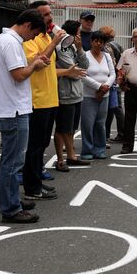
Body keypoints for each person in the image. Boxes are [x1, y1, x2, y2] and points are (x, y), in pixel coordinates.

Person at [0, 9, 47, 223]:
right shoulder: (11, 43)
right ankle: (11, 208)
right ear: (28, 25)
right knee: (13, 162)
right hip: (13, 109)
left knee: (11, 160)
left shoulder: (3, 40)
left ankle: (12, 200)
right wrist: (35, 64)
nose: (32, 38)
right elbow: (19, 74)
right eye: (34, 34)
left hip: (11, 107)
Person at [22, 1, 66, 201]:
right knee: (35, 146)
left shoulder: (47, 37)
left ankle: (37, 181)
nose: (51, 18)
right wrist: (55, 42)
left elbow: (50, 68)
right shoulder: (30, 39)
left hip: (50, 99)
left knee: (41, 144)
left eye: (50, 13)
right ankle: (31, 187)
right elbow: (38, 63)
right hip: (37, 100)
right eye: (46, 14)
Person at [53, 20, 89, 172]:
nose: (80, 35)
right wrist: (76, 71)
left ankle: (70, 155)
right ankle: (62, 159)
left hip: (77, 94)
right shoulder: (61, 47)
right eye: (79, 33)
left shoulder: (74, 46)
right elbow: (74, 72)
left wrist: (80, 48)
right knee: (62, 128)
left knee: (72, 128)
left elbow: (85, 65)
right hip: (65, 94)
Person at [80, 30, 116, 160]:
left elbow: (112, 74)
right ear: (91, 42)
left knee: (100, 123)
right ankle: (87, 150)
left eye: (101, 41)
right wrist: (99, 86)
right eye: (96, 41)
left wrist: (105, 87)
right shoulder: (85, 56)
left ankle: (99, 149)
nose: (98, 44)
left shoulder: (107, 56)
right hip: (88, 95)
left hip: (104, 95)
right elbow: (82, 75)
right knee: (87, 124)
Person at [100, 25, 125, 144]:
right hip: (117, 79)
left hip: (111, 79)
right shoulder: (117, 45)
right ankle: (121, 133)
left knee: (112, 108)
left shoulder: (107, 47)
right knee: (116, 108)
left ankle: (111, 134)